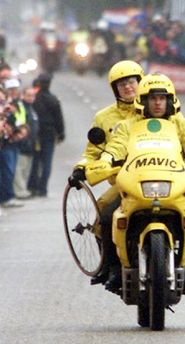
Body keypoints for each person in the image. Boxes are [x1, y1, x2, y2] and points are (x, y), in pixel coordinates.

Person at [97, 73, 185, 292]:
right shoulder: (127, 126)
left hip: (176, 183)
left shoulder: (181, 124)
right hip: (134, 184)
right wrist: (104, 162)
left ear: (170, 101)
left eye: (162, 98)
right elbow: (114, 148)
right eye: (152, 98)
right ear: (142, 101)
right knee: (106, 214)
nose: (157, 103)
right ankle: (113, 267)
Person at [67, 61, 143, 291]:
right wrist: (81, 168)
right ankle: (111, 268)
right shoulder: (104, 118)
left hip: (162, 179)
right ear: (114, 89)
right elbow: (92, 152)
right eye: (121, 84)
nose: (128, 87)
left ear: (141, 82)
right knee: (105, 215)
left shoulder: (159, 110)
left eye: (131, 82)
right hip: (124, 184)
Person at [29, 73, 64, 198]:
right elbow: (58, 118)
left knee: (35, 161)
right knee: (47, 162)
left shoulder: (34, 98)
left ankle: (33, 187)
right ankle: (43, 189)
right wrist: (61, 134)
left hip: (35, 135)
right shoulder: (53, 99)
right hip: (49, 134)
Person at [0, 78, 29, 208]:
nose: (14, 92)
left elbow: (20, 120)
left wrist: (23, 130)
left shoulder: (17, 103)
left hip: (14, 140)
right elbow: (7, 122)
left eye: (15, 89)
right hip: (6, 141)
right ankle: (6, 197)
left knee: (10, 170)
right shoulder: (7, 105)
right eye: (11, 89)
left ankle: (8, 196)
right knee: (8, 170)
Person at [14, 87, 39, 199]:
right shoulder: (21, 107)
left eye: (32, 95)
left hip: (31, 144)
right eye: (28, 95)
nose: (30, 98)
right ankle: (20, 191)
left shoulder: (32, 108)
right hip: (22, 144)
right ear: (23, 95)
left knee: (26, 169)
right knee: (19, 169)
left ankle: (23, 190)